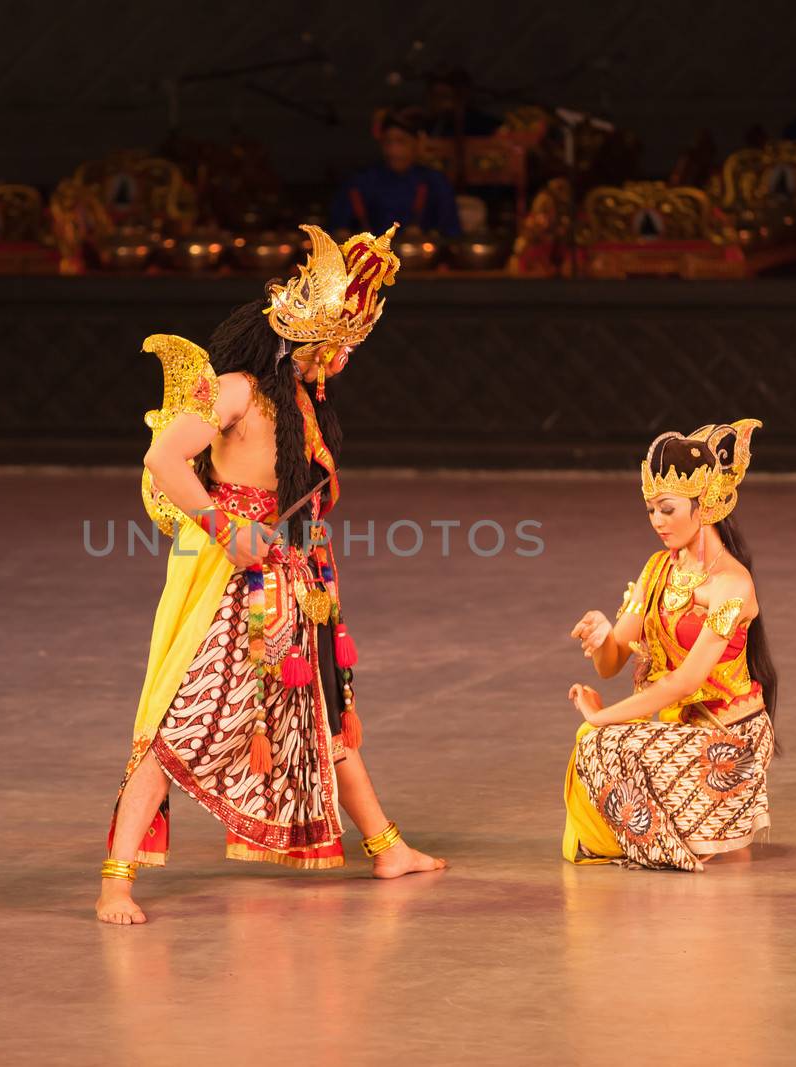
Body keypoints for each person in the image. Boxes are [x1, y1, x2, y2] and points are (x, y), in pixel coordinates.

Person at [97, 223, 447, 925]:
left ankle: (386, 845)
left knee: (319, 711)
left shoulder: (303, 405)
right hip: (232, 583)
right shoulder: (236, 390)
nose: (344, 355)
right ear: (302, 336)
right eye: (337, 342)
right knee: (183, 721)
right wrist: (225, 526)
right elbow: (166, 459)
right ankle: (115, 880)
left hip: (296, 578)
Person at [562, 420, 778, 871]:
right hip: (679, 730)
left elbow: (685, 682)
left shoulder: (731, 587)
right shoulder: (659, 569)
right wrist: (604, 636)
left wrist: (603, 716)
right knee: (595, 741)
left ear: (707, 506)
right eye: (650, 511)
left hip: (726, 740)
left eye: (667, 509)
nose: (656, 521)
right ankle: (674, 835)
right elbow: (612, 663)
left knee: (597, 740)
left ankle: (684, 836)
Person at [329, 109, 462, 236]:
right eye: (388, 142)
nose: (393, 151)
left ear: (417, 144)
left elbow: (451, 233)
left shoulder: (435, 182)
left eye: (401, 141)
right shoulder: (360, 181)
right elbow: (339, 227)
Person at [421, 68, 501, 138]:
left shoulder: (478, 122)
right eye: (434, 97)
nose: (437, 102)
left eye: (444, 97)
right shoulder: (432, 122)